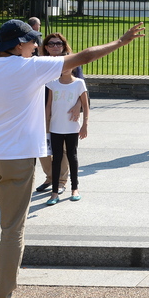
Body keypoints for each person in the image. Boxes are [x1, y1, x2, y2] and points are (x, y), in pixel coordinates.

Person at [0, 19, 144, 298]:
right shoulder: (33, 67)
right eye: (31, 41)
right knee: (12, 229)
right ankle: (2, 295)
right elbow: (84, 56)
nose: (36, 45)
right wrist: (121, 42)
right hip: (17, 157)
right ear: (17, 44)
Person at [34, 33, 84, 194]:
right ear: (45, 47)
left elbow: (82, 88)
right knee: (43, 147)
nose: (55, 46)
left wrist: (78, 106)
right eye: (51, 44)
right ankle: (51, 177)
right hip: (40, 110)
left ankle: (61, 181)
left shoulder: (71, 61)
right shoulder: (40, 63)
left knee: (62, 150)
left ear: (64, 45)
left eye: (59, 44)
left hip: (64, 111)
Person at [44, 63, 89, 205]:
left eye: (69, 66)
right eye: (62, 67)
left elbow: (85, 105)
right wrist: (46, 125)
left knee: (72, 156)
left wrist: (85, 125)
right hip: (56, 127)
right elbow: (49, 105)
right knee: (56, 159)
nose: (65, 69)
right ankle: (54, 192)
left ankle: (75, 188)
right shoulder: (52, 84)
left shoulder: (79, 83)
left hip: (72, 127)